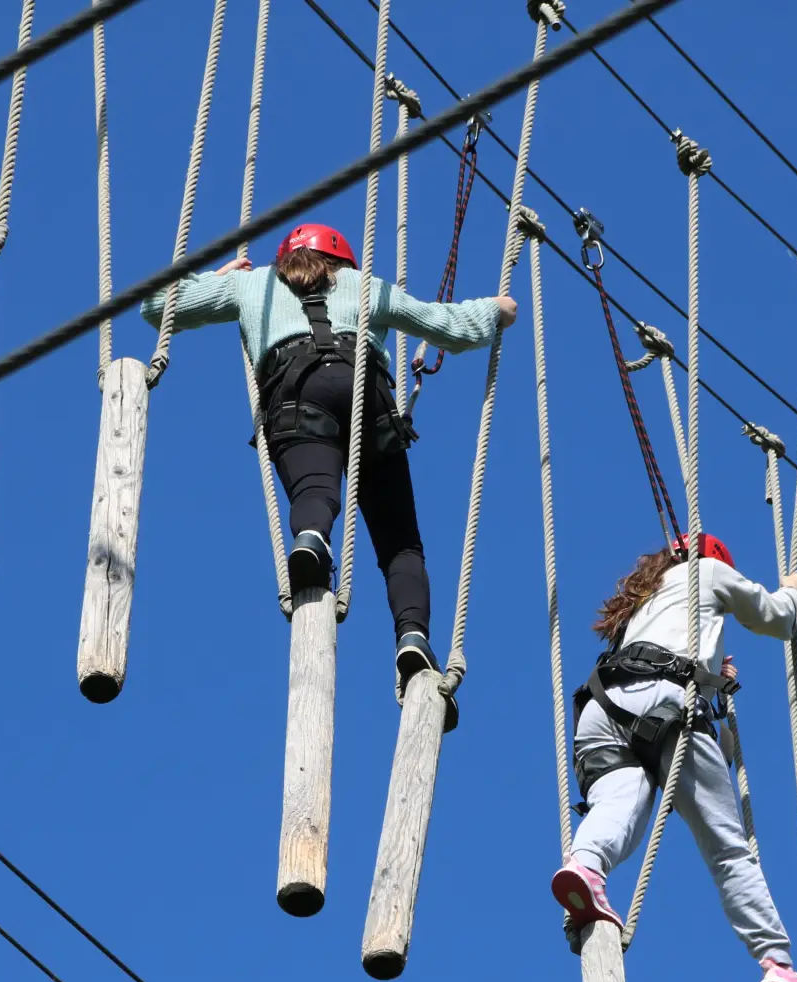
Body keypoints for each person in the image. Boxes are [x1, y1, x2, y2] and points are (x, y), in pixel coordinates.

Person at [141, 223, 517, 691]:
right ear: (344, 261)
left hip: (296, 392)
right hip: (364, 391)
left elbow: (156, 305)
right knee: (400, 542)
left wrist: (216, 280)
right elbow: (450, 327)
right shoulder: (368, 286)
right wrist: (496, 311)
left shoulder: (252, 283)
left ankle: (312, 539)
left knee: (314, 487)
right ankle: (412, 636)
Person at [551, 534, 797, 982]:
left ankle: (587, 867)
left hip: (602, 708)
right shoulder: (711, 573)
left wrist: (714, 675)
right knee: (728, 849)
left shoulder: (643, 599)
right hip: (667, 701)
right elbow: (775, 617)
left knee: (621, 800)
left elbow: (674, 640)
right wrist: (794, 591)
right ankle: (779, 964)